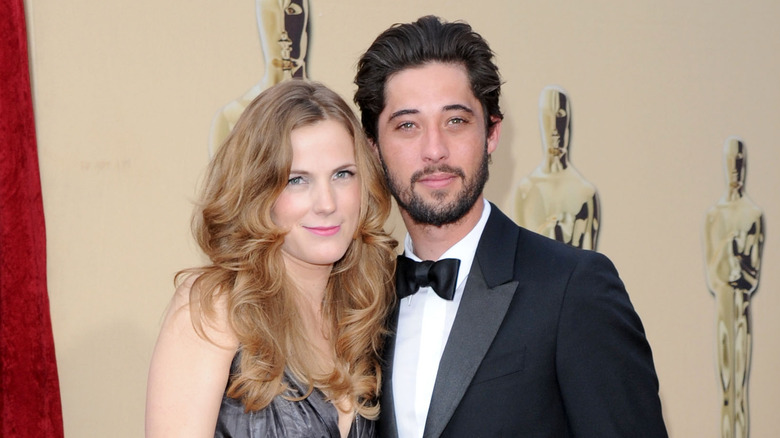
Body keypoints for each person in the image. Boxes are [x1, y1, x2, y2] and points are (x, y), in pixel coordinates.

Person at [354, 15, 667, 437]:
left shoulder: (573, 288)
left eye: (456, 121)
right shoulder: (360, 305)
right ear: (374, 147)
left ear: (492, 134)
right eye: (408, 125)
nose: (434, 149)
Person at [146, 79, 397, 438]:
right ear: (257, 190)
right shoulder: (216, 306)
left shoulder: (369, 311)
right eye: (297, 180)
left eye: (343, 174)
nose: (327, 203)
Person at [703, 136, 764, 438]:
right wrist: (730, 250)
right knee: (727, 383)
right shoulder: (715, 216)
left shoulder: (753, 215)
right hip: (724, 303)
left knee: (740, 385)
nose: (735, 168)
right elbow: (713, 274)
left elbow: (752, 277)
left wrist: (738, 261)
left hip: (741, 305)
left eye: (739, 162)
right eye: (731, 162)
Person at [508, 85, 600, 249]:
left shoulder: (585, 193)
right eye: (547, 117)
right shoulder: (526, 190)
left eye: (560, 116)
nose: (554, 129)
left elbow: (590, 263)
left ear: (568, 122)